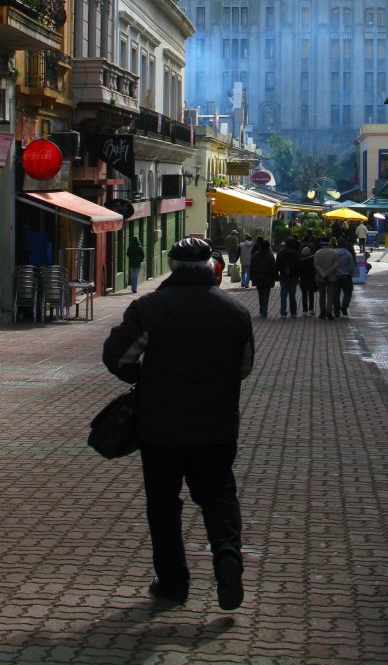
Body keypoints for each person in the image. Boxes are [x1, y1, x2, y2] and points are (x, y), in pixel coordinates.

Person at [102, 237, 254, 610]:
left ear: (171, 266)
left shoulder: (149, 308)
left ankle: (172, 581)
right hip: (217, 425)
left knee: (163, 503)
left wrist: (145, 377)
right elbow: (244, 367)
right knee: (218, 494)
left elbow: (116, 357)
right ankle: (227, 553)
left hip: (161, 427)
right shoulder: (234, 311)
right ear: (211, 268)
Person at [313, 234, 339, 320]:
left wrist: (323, 274)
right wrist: (328, 272)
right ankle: (329, 312)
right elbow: (336, 264)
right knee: (330, 295)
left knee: (322, 295)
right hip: (331, 277)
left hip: (320, 277)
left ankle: (322, 312)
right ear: (329, 243)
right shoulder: (334, 253)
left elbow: (316, 265)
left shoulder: (318, 253)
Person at [250, 238, 277, 318]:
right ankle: (264, 311)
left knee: (260, 295)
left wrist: (251, 277)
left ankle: (262, 310)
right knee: (266, 295)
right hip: (268, 278)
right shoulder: (270, 255)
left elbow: (252, 267)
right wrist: (276, 277)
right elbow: (273, 268)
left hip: (258, 277)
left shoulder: (255, 254)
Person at [275, 237, 300, 318]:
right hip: (293, 276)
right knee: (292, 295)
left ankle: (283, 312)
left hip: (283, 275)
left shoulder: (281, 253)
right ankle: (293, 312)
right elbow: (298, 265)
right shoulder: (295, 253)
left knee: (283, 294)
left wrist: (278, 272)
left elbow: (277, 264)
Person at [334, 239, 357, 317]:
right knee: (348, 292)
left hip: (336, 277)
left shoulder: (333, 253)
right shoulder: (348, 254)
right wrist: (351, 273)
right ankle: (344, 306)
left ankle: (336, 311)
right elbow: (351, 266)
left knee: (336, 294)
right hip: (346, 276)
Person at [298, 245, 317, 316]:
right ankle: (311, 309)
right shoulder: (312, 260)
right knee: (311, 294)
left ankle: (304, 310)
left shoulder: (300, 261)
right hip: (311, 279)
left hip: (303, 280)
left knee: (304, 295)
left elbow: (299, 271)